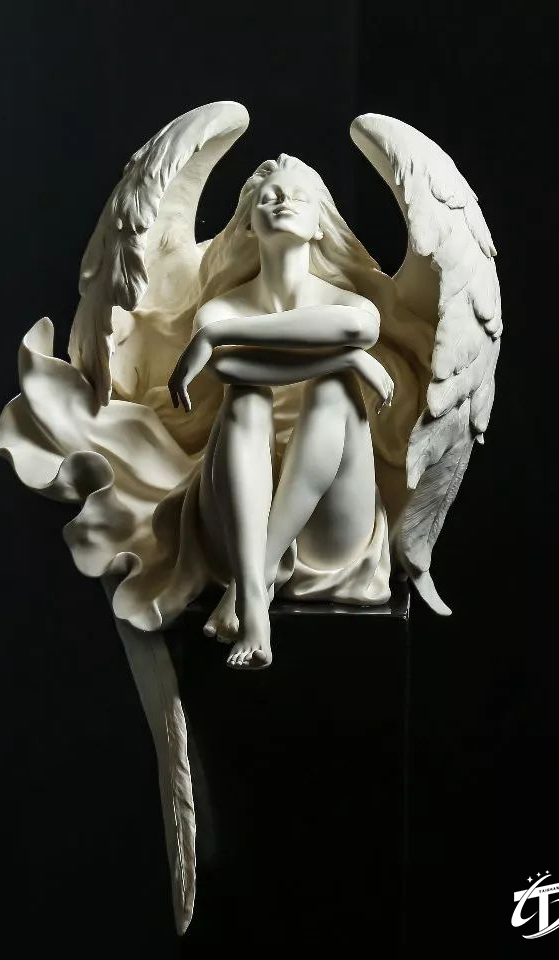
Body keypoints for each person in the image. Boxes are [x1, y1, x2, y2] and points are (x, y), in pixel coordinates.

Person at [167, 154, 397, 670]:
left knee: (334, 390)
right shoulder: (219, 306)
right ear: (249, 223)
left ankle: (252, 587)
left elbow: (361, 331)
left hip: (326, 526)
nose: (283, 202)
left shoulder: (347, 305)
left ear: (320, 225)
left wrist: (218, 336)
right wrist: (345, 357)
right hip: (236, 520)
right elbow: (232, 370)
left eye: (298, 197)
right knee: (246, 395)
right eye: (269, 198)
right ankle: (254, 595)